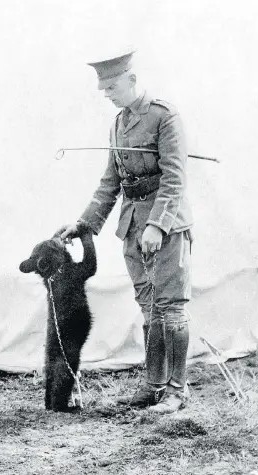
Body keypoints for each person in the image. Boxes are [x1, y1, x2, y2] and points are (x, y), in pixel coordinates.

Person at [60, 49, 193, 414]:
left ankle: (177, 392)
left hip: (166, 228)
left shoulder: (165, 117)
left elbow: (174, 178)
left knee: (171, 308)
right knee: (149, 307)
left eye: (113, 86)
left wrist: (157, 225)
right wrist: (84, 223)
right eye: (103, 89)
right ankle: (154, 386)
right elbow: (110, 182)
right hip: (133, 227)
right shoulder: (118, 122)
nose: (107, 94)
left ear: (132, 80)